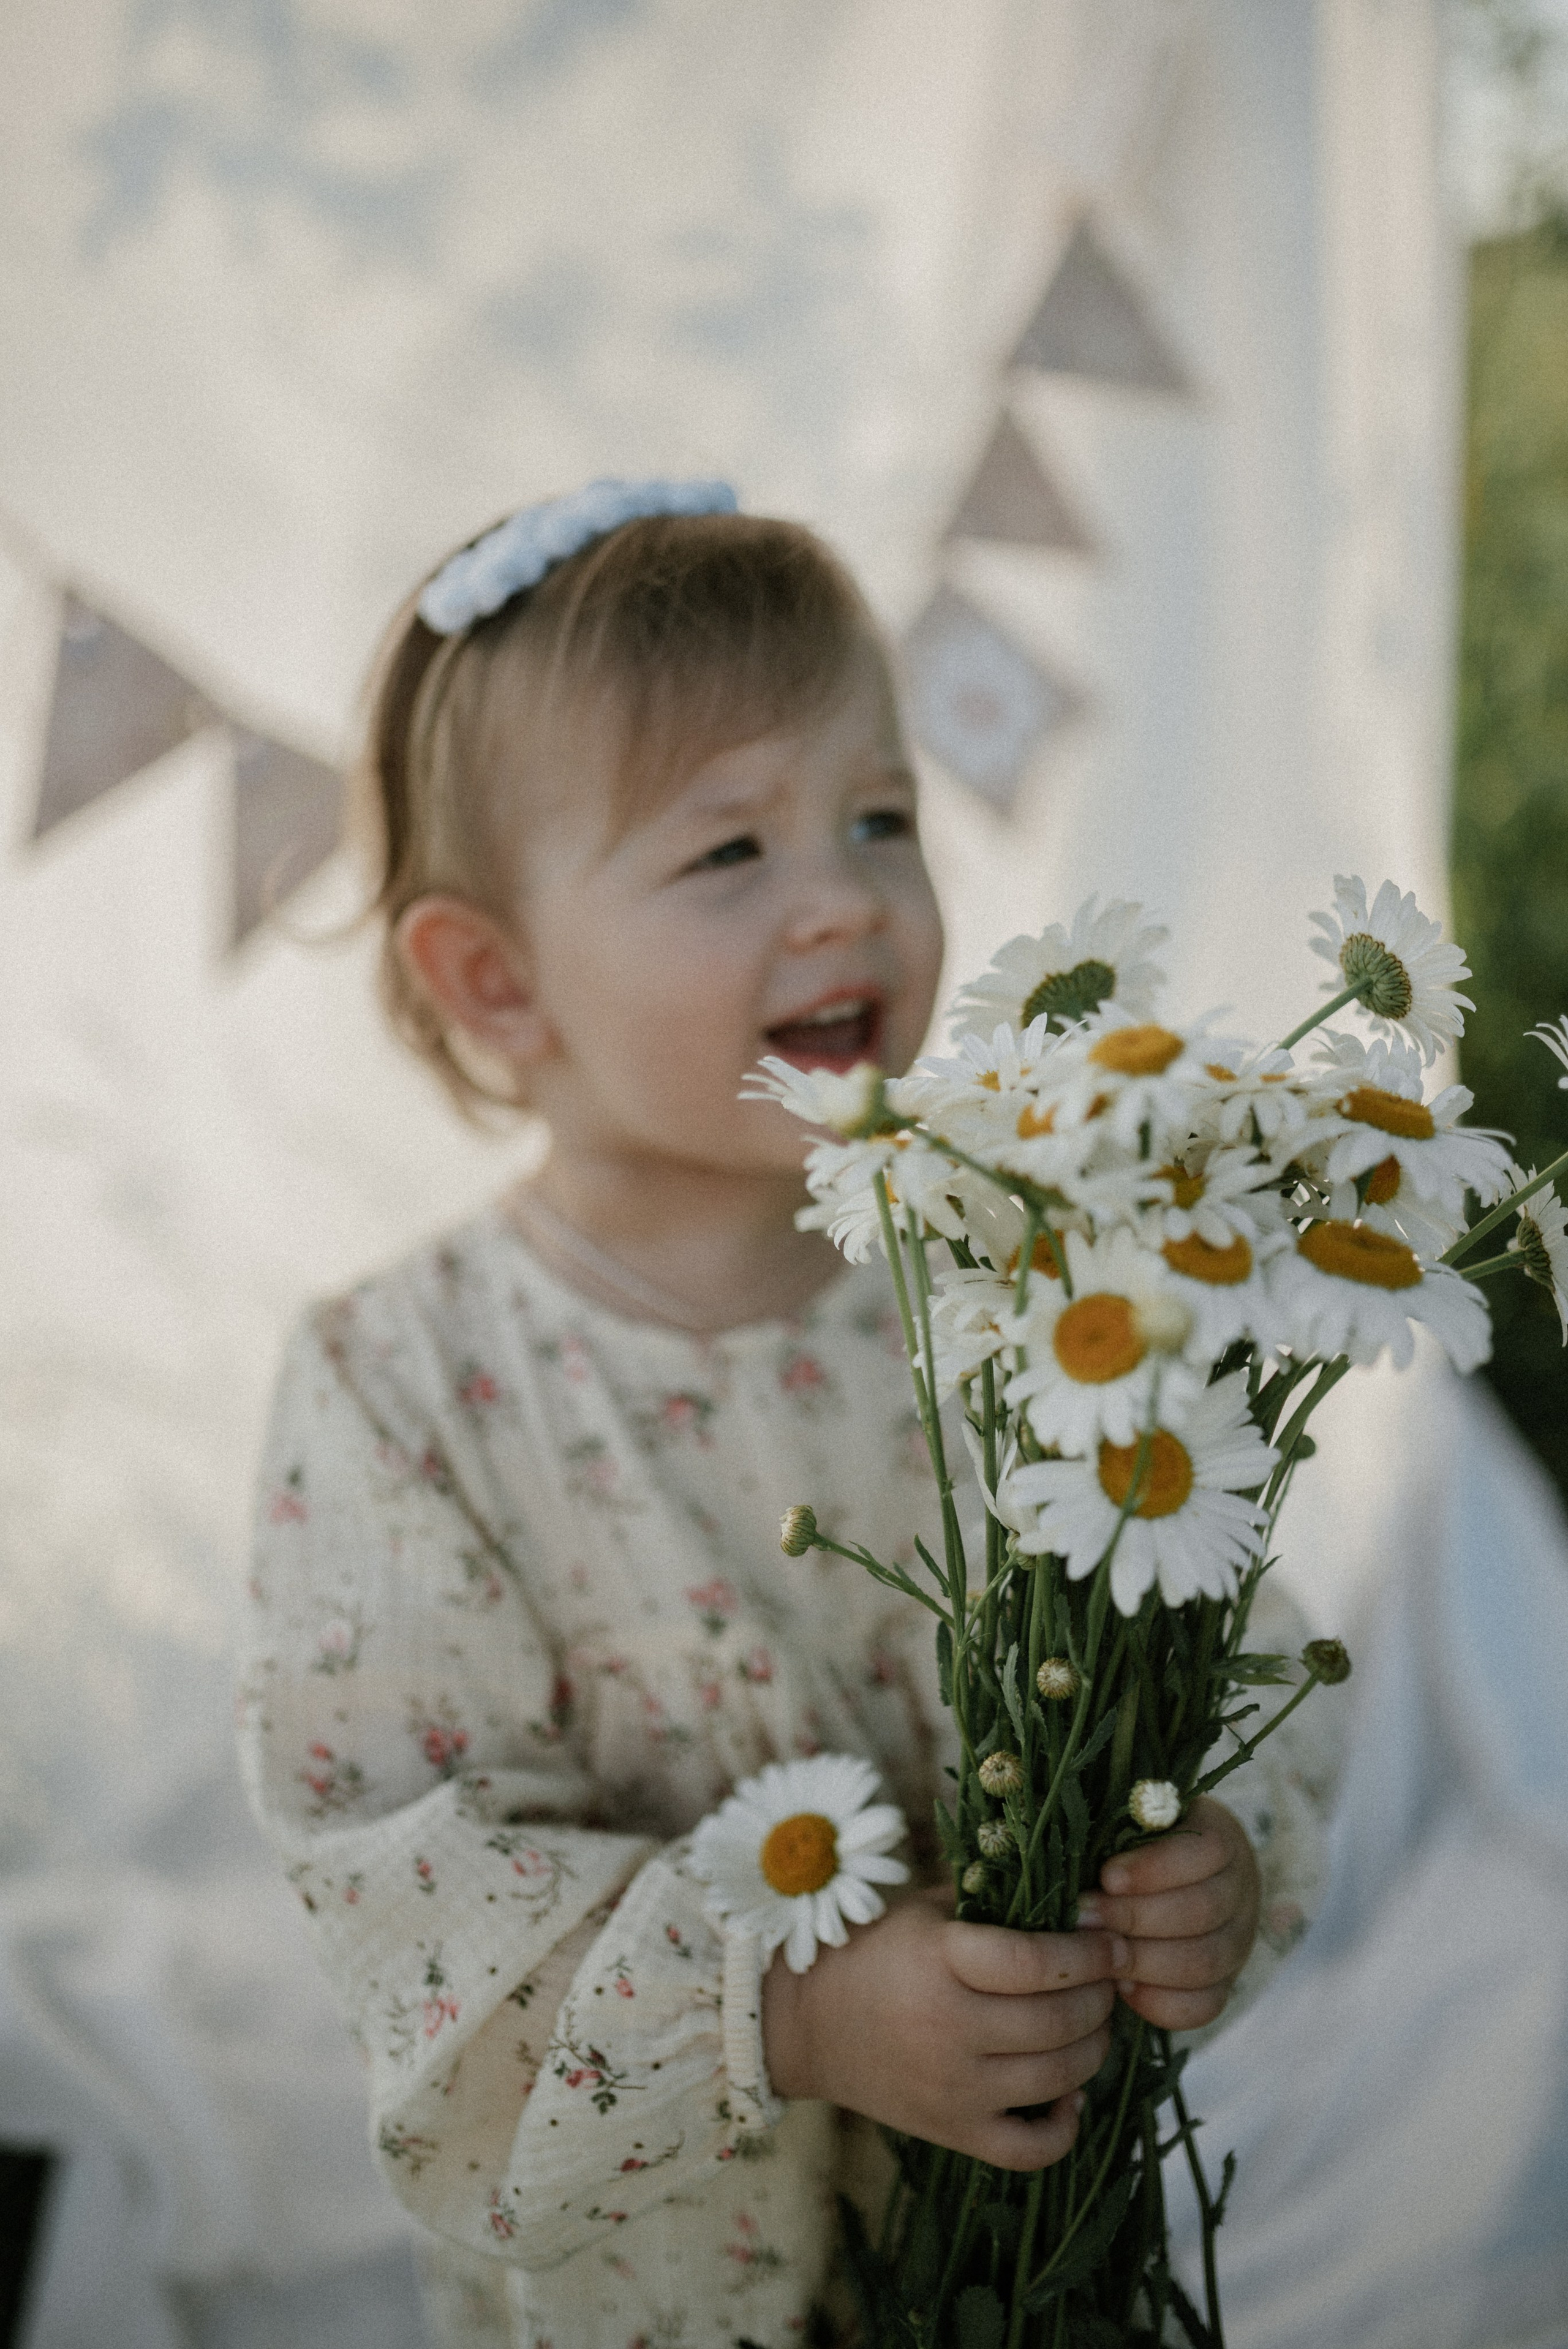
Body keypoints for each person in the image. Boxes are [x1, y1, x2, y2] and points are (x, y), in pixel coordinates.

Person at [236, 481, 1333, 2348]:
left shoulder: (1029, 1291)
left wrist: (1215, 1849)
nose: (846, 896)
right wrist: (795, 2004)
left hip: (1042, 2263)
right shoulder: (399, 1383)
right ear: (496, 980)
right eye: (729, 848)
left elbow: (1229, 1634)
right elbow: (415, 1889)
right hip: (669, 2294)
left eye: (880, 814)